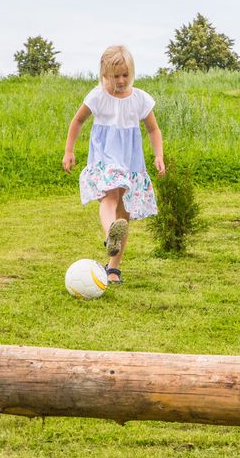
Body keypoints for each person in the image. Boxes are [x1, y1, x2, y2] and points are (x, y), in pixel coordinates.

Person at [62, 45, 165, 284]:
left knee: (124, 212)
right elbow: (77, 121)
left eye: (125, 75)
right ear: (105, 74)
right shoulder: (98, 96)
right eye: (115, 76)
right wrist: (69, 151)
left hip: (131, 162)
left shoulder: (140, 99)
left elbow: (153, 129)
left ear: (132, 72)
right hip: (105, 158)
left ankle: (113, 267)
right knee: (109, 197)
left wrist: (158, 155)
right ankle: (111, 235)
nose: (120, 80)